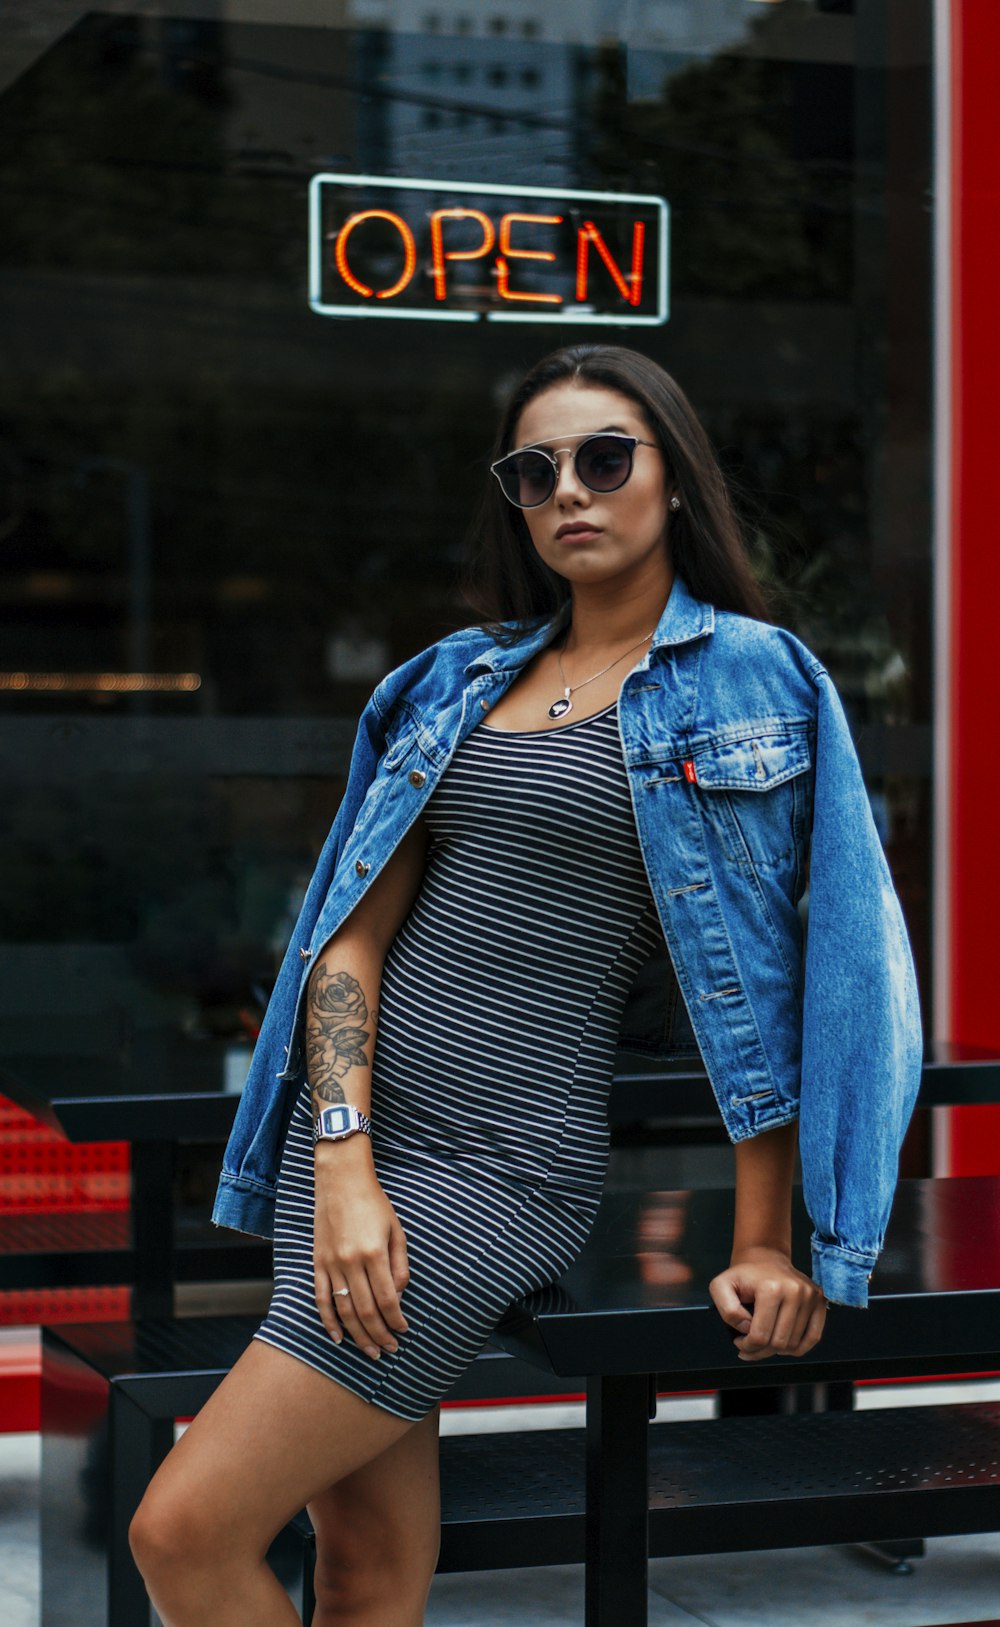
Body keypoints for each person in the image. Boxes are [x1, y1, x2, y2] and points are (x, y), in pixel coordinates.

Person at [129, 345, 923, 1626]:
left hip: (497, 1174)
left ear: (674, 477)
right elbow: (347, 940)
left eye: (606, 457)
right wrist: (340, 1159)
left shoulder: (752, 680)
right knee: (365, 1572)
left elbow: (794, 982)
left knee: (183, 1530)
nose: (570, 491)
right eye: (534, 469)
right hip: (350, 1161)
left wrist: (772, 1238)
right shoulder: (453, 679)